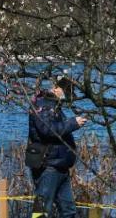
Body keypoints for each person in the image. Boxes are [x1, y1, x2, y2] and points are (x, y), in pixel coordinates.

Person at [28, 76, 87, 218]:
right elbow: (47, 129)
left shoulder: (53, 106)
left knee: (69, 211)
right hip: (48, 165)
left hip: (60, 166)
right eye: (67, 93)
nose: (69, 97)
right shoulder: (43, 104)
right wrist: (73, 123)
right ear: (57, 89)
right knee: (42, 210)